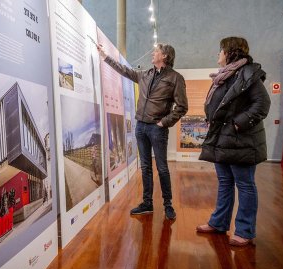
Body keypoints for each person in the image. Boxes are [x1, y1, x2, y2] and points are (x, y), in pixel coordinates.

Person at [98, 43, 188, 220]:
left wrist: (165, 122)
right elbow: (125, 71)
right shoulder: (146, 74)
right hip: (141, 127)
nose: (152, 54)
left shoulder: (175, 78)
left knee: (162, 168)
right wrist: (105, 57)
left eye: (156, 52)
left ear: (165, 56)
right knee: (145, 167)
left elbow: (182, 107)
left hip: (157, 128)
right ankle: (147, 203)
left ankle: (167, 204)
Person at [196, 37, 271, 246]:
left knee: (245, 185)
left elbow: (262, 104)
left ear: (230, 52)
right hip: (223, 138)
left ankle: (245, 231)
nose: (217, 54)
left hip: (241, 140)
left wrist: (237, 124)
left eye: (220, 50)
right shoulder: (226, 76)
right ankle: (219, 223)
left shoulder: (248, 73)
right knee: (225, 183)